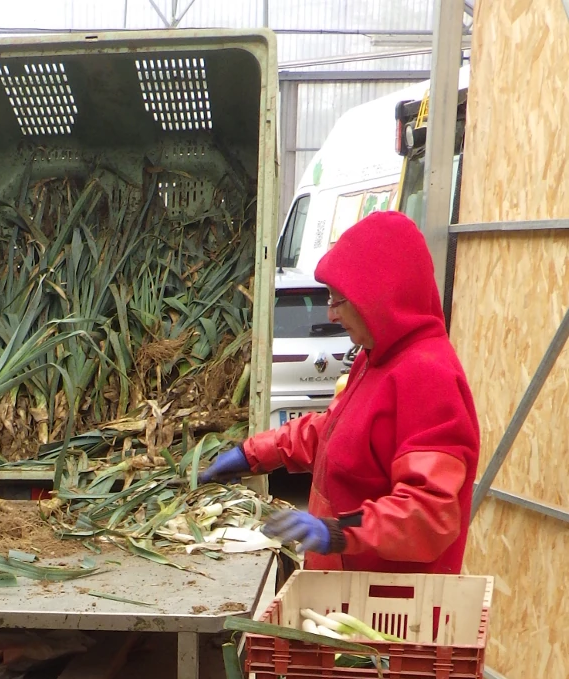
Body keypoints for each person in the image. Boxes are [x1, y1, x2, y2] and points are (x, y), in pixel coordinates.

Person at [200, 210, 480, 572]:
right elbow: (330, 434)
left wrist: (340, 531)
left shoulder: (428, 376)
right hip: (344, 585)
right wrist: (251, 453)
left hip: (385, 607)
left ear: (379, 297)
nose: (331, 314)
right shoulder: (376, 357)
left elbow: (426, 513)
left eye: (338, 299)